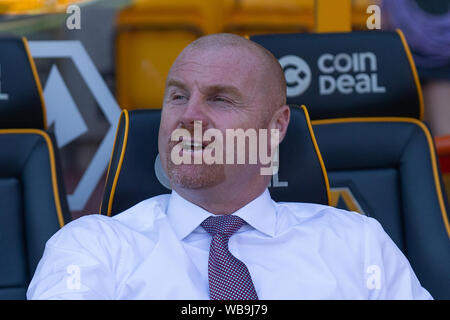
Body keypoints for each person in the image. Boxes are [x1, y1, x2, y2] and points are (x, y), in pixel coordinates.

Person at [27, 33, 432, 300]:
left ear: (275, 127)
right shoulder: (92, 247)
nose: (189, 116)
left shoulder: (357, 245)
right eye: (177, 97)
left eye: (220, 100)